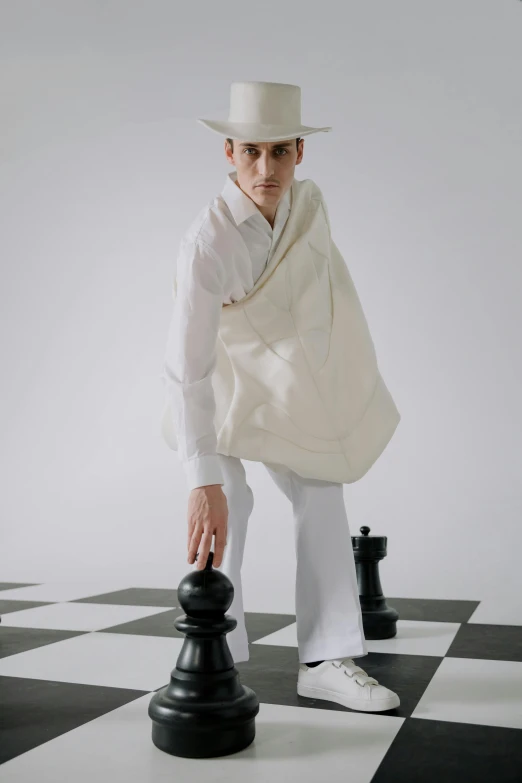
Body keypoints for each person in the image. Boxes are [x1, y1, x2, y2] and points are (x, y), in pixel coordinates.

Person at [161, 81, 401, 712]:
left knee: (321, 487)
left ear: (301, 152)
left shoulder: (308, 206)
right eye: (250, 153)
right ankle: (217, 652)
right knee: (229, 500)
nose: (265, 170)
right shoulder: (206, 242)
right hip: (221, 390)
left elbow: (322, 300)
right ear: (229, 152)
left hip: (285, 385)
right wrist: (201, 478)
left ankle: (325, 657)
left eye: (279, 153)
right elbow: (187, 368)